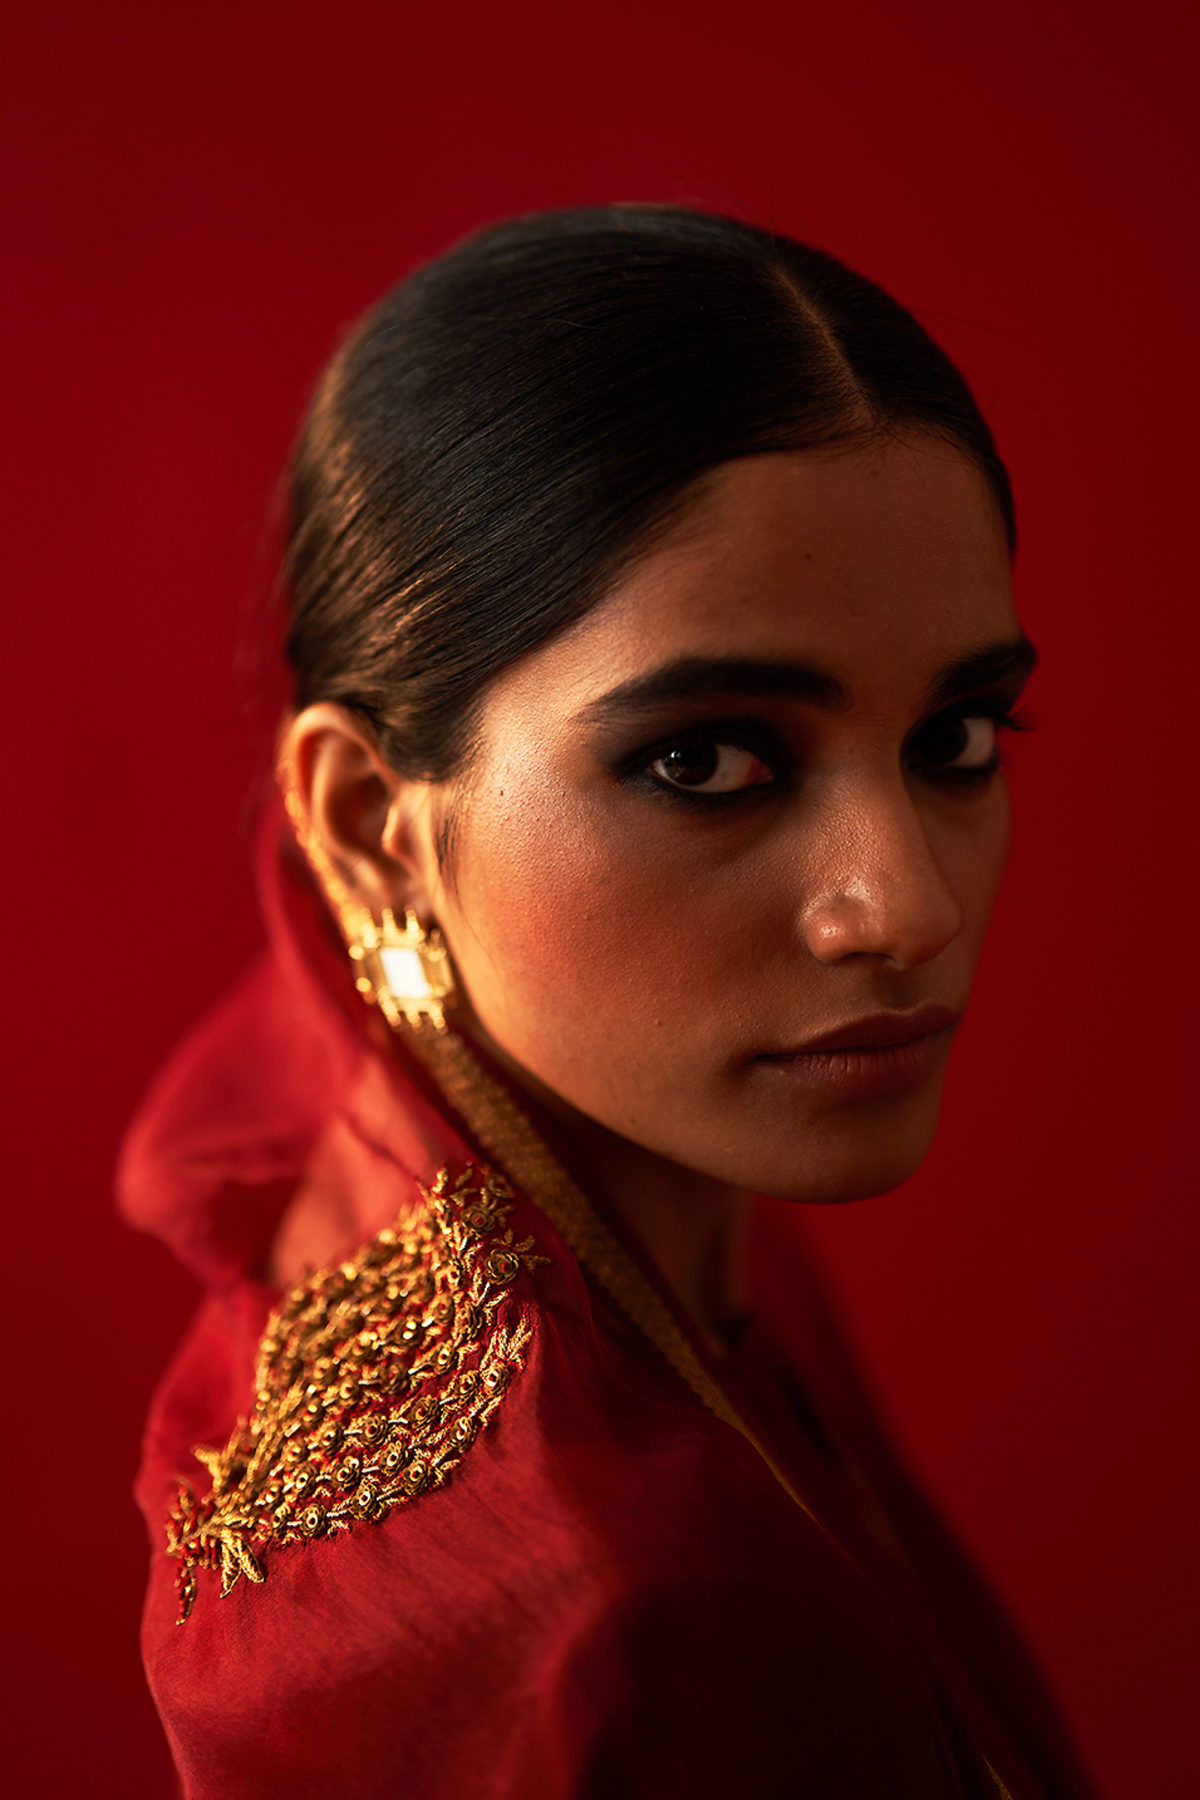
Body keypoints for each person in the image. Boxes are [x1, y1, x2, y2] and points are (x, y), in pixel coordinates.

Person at [122, 205, 1100, 1799]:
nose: (906, 907)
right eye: (707, 760)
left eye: (959, 739)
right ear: (374, 825)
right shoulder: (627, 1620)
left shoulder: (649, 1220)